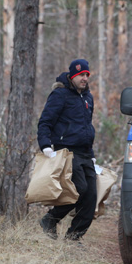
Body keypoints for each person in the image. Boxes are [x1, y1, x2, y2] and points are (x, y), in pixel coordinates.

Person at [37, 59, 97, 242]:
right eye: (80, 75)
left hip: (85, 152)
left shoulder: (88, 98)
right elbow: (45, 122)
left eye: (86, 75)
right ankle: (50, 219)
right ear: (72, 76)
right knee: (78, 188)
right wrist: (46, 146)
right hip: (67, 151)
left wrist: (92, 155)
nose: (84, 78)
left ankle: (73, 238)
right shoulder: (60, 95)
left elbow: (87, 127)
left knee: (91, 197)